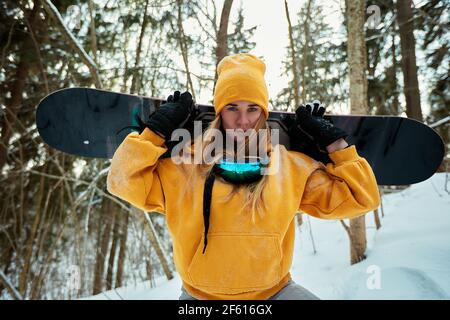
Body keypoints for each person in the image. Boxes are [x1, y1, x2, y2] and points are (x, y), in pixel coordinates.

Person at [106, 53, 380, 300]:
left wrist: (335, 144)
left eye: (252, 108)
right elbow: (123, 181)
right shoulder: (186, 163)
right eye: (232, 108)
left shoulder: (289, 166)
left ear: (263, 112)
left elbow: (361, 198)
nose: (243, 121)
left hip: (274, 293)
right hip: (199, 297)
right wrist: (155, 131)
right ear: (219, 111)